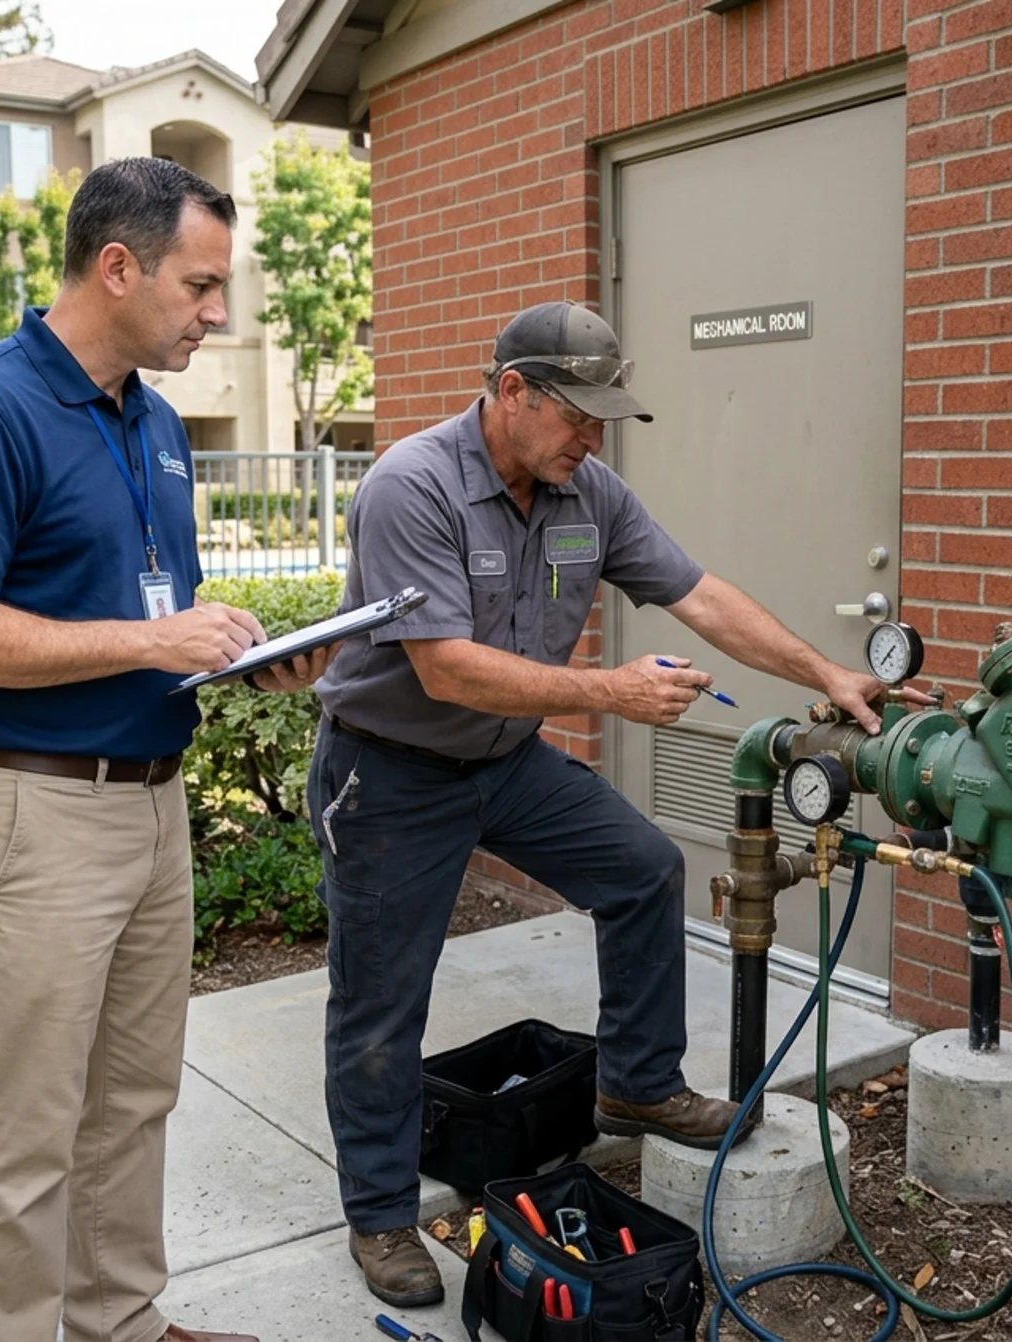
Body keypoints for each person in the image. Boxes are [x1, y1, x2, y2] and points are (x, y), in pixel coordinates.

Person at [311, 300, 921, 1307]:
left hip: (503, 762)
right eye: (576, 414)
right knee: (380, 1001)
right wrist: (612, 690)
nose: (593, 437)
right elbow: (445, 669)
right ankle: (379, 1212)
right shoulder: (409, 486)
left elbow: (701, 595)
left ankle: (636, 1081)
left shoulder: (586, 491)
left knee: (642, 868)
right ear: (510, 391)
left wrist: (825, 668)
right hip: (391, 771)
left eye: (602, 417)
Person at [0, 157, 327, 1342]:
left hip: (152, 806)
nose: (217, 313)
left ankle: (119, 1322)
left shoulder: (156, 420)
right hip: (36, 815)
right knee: (24, 1127)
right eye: (200, 284)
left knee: (134, 1097)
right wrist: (149, 636)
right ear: (118, 265)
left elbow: (140, 628)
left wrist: (229, 655)